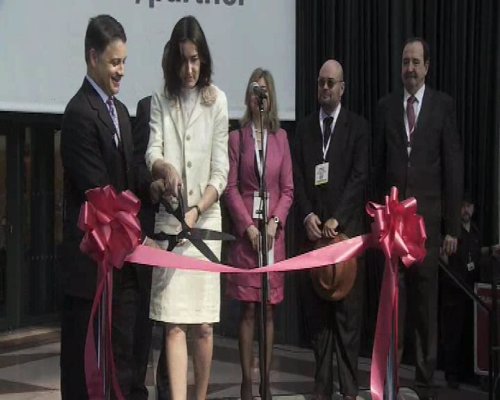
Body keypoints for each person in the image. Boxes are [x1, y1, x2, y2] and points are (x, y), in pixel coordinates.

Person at [60, 15, 157, 399]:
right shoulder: (79, 114)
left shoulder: (120, 113)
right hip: (92, 270)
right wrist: (141, 239)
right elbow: (100, 193)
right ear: (93, 57)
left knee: (125, 362)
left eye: (124, 62)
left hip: (123, 269)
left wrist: (155, 184)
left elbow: (130, 176)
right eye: (115, 62)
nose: (121, 71)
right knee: (87, 374)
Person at [373, 37, 463, 399]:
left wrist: (452, 228)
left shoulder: (443, 106)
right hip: (393, 229)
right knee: (394, 307)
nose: (409, 68)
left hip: (427, 229)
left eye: (415, 62)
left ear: (427, 67)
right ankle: (391, 381)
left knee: (426, 310)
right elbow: (378, 167)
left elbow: (453, 168)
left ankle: (425, 383)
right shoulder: (385, 107)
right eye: (405, 62)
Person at [145, 15, 229, 400]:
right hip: (170, 224)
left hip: (204, 222)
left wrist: (196, 210)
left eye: (195, 59)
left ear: (203, 58)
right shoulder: (161, 99)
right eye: (183, 60)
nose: (189, 69)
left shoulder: (218, 101)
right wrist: (164, 168)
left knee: (204, 326)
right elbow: (152, 152)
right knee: (174, 324)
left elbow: (220, 171)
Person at [293, 59, 369, 400]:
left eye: (331, 83)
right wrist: (308, 214)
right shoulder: (305, 128)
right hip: (313, 240)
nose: (325, 88)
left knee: (347, 322)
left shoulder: (358, 128)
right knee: (319, 324)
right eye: (321, 82)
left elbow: (359, 177)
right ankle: (321, 392)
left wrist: (338, 218)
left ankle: (349, 392)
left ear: (342, 88)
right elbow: (297, 177)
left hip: (346, 239)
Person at [224, 68, 294, 400]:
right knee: (249, 310)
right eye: (254, 90)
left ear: (270, 97)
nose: (258, 96)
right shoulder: (237, 138)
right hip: (247, 236)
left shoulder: (282, 139)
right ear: (248, 96)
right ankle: (246, 384)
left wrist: (273, 222)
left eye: (263, 91)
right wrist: (249, 227)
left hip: (272, 236)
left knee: (268, 309)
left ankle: (266, 383)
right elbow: (230, 188)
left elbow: (288, 189)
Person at [133, 95, 170, 400]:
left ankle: (169, 389)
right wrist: (151, 185)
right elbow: (135, 164)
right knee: (144, 312)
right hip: (150, 219)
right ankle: (136, 388)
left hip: (186, 225)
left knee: (175, 316)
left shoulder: (198, 107)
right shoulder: (147, 107)